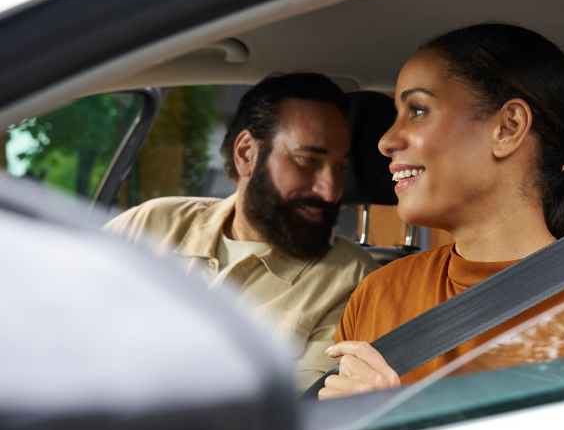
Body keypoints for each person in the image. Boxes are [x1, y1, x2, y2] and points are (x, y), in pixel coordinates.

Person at [319, 23, 564, 399]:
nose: (386, 140)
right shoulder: (378, 294)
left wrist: (388, 420)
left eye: (419, 110)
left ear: (508, 128)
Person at [104, 72, 378, 392]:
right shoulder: (146, 225)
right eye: (307, 160)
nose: (331, 190)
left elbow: (297, 416)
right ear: (247, 153)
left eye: (340, 168)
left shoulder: (351, 280)